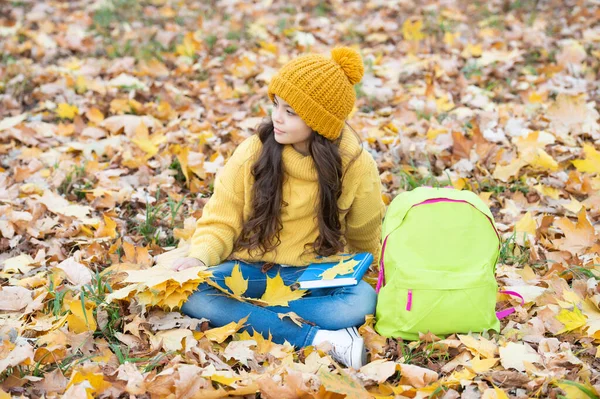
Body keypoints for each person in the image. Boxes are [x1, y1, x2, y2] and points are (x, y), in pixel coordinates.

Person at [171, 46, 386, 369]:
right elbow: (221, 220)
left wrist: (386, 275)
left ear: (319, 122)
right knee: (190, 293)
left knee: (362, 301)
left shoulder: (354, 164)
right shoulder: (253, 153)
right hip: (251, 272)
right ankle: (321, 340)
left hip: (315, 276)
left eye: (291, 112)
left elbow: (365, 232)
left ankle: (253, 319)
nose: (276, 117)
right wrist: (198, 257)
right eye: (275, 105)